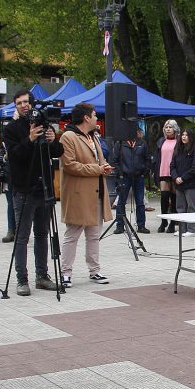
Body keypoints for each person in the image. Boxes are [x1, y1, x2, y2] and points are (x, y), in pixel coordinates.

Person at [2, 89, 64, 296]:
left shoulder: (44, 125)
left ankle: (42, 276)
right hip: (23, 189)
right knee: (22, 237)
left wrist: (52, 140)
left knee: (42, 234)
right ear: (16, 106)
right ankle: (22, 279)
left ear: (32, 103)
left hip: (44, 187)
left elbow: (58, 152)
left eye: (26, 102)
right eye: (19, 103)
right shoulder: (11, 129)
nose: (23, 105)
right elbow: (15, 155)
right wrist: (29, 139)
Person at [58, 103, 114, 287]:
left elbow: (99, 160)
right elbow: (70, 165)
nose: (97, 118)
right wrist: (98, 169)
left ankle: (95, 271)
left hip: (96, 192)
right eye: (94, 115)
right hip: (78, 195)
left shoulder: (93, 136)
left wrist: (105, 166)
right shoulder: (68, 136)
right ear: (86, 117)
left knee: (94, 235)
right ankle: (65, 273)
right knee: (72, 235)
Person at [109, 127, 152, 234]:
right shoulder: (120, 143)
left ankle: (141, 225)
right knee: (121, 201)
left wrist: (144, 172)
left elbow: (147, 159)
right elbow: (114, 160)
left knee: (140, 202)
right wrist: (120, 173)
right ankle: (120, 225)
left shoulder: (142, 143)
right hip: (124, 176)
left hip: (139, 176)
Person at [171, 129, 195, 233]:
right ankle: (182, 229)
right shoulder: (177, 149)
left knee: (192, 207)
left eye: (186, 135)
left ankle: (193, 230)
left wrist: (183, 178)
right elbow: (172, 165)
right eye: (183, 135)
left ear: (191, 137)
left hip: (191, 183)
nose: (184, 137)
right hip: (179, 183)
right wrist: (176, 177)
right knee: (180, 207)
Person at [156, 120, 179, 233]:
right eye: (166, 127)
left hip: (174, 171)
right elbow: (158, 156)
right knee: (164, 196)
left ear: (175, 129)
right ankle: (163, 221)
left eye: (170, 127)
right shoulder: (161, 141)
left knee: (174, 197)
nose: (168, 129)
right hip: (163, 170)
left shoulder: (179, 141)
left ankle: (173, 223)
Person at [0, 131, 16, 242]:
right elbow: (0, 159)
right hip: (8, 178)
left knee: (22, 206)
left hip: (21, 179)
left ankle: (20, 230)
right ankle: (11, 230)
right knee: (11, 205)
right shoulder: (4, 145)